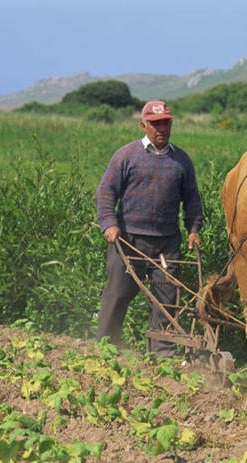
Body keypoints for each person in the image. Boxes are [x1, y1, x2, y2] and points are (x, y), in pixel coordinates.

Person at [95, 100, 203, 357]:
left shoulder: (181, 161)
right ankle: (107, 348)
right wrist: (109, 224)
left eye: (165, 122)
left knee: (166, 298)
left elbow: (192, 199)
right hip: (129, 239)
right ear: (144, 125)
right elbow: (105, 192)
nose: (161, 128)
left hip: (166, 242)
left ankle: (162, 353)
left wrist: (193, 228)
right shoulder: (126, 155)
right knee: (119, 293)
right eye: (155, 124)